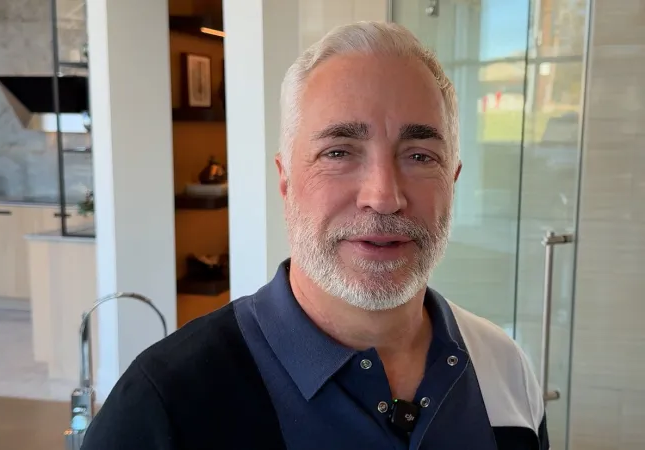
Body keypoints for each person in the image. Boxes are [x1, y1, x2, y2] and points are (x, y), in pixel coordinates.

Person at [81, 21, 549, 450]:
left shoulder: (504, 372)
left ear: (454, 179)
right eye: (339, 152)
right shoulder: (165, 406)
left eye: (421, 155)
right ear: (286, 182)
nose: (383, 197)